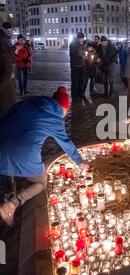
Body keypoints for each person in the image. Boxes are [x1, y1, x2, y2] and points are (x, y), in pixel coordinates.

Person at [0, 87, 85, 226]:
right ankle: (11, 204)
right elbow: (66, 143)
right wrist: (80, 163)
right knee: (41, 182)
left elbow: (3, 120)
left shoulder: (25, 103)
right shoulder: (54, 118)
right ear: (64, 109)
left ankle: (8, 189)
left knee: (9, 163)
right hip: (22, 155)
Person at [0, 22, 15, 116]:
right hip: (5, 82)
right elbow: (4, 55)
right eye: (10, 30)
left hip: (7, 77)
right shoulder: (3, 41)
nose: (12, 32)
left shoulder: (5, 39)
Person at [69, 32, 86, 98]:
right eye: (81, 38)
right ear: (78, 38)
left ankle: (79, 93)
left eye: (83, 38)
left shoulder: (83, 44)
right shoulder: (73, 45)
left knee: (81, 80)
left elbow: (85, 52)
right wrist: (81, 56)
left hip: (82, 65)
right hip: (75, 65)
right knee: (74, 80)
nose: (82, 40)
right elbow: (72, 54)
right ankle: (73, 95)